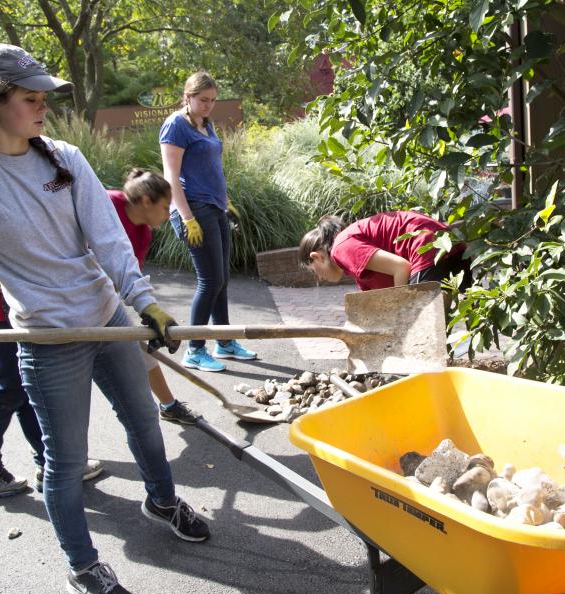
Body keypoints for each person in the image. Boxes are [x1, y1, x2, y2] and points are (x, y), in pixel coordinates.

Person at [0, 44, 209, 594]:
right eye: (30, 98)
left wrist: (142, 300)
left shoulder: (65, 158)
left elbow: (107, 237)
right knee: (63, 461)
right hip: (47, 339)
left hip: (106, 317)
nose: (43, 108)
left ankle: (161, 500)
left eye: (43, 98)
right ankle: (83, 569)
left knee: (145, 422)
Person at [0, 137, 103, 497]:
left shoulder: (12, 152)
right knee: (13, 377)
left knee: (27, 376)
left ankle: (50, 459)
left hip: (12, 288)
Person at [159, 70, 256, 373]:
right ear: (187, 96)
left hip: (214, 207)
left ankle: (224, 341)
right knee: (209, 280)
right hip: (193, 210)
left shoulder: (206, 124)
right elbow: (171, 176)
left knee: (221, 278)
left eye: (213, 101)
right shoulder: (175, 125)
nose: (208, 106)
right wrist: (187, 218)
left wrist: (225, 200)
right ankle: (195, 348)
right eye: (203, 100)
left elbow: (210, 166)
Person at [108, 168, 199, 426]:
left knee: (143, 349)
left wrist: (148, 314)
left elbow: (128, 278)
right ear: (146, 201)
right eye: (164, 206)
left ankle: (169, 405)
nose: (167, 213)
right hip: (68, 298)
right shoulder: (107, 204)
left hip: (103, 299)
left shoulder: (143, 233)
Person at [298, 212, 472, 292]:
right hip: (452, 246)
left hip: (429, 246)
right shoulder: (352, 262)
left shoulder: (341, 248)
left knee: (420, 325)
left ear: (317, 257)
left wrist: (400, 310)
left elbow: (401, 267)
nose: (320, 279)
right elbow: (374, 303)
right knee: (438, 329)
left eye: (315, 272)